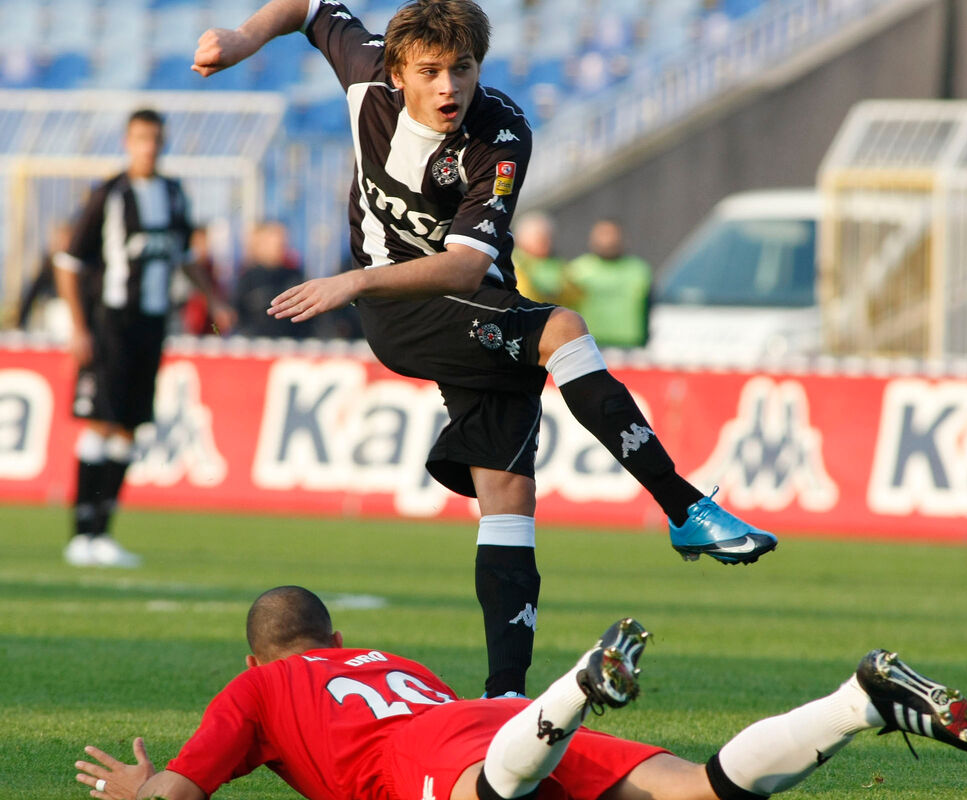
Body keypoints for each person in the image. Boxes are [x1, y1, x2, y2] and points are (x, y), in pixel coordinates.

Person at [192, 0, 777, 699]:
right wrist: (243, 38)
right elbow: (309, 6)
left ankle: (505, 696)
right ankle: (683, 507)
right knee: (562, 330)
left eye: (462, 69)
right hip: (399, 309)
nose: (449, 87)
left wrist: (350, 279)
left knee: (507, 494)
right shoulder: (365, 74)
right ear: (397, 73)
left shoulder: (501, 131)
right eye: (430, 72)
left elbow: (468, 266)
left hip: (467, 298)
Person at [72, 585, 967, 800]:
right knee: (696, 790)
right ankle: (858, 701)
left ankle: (578, 686)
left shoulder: (258, 690)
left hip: (444, 753)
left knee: (485, 796)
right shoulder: (385, 659)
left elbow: (176, 797)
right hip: (486, 719)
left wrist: (138, 787)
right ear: (337, 640)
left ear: (254, 659)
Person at [53, 108, 235, 569]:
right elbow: (69, 263)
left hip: (152, 325)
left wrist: (213, 299)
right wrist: (79, 326)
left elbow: (185, 255)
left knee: (129, 428)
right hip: (110, 323)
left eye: (155, 139)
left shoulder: (172, 194)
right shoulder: (109, 195)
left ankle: (103, 533)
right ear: (127, 142)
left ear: (163, 142)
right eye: (140, 138)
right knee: (101, 422)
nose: (148, 147)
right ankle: (81, 533)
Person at [563, 219, 653, 349]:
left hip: (629, 346)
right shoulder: (576, 270)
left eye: (613, 235)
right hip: (588, 343)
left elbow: (649, 308)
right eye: (603, 235)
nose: (608, 240)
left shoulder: (639, 270)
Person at [233, 220, 313, 339]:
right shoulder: (248, 278)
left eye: (283, 243)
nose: (280, 247)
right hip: (256, 343)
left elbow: (309, 318)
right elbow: (237, 315)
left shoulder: (294, 276)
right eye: (274, 243)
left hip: (292, 342)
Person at [511, 212, 569, 305]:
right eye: (541, 238)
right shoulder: (513, 262)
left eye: (549, 237)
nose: (548, 243)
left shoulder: (556, 263)